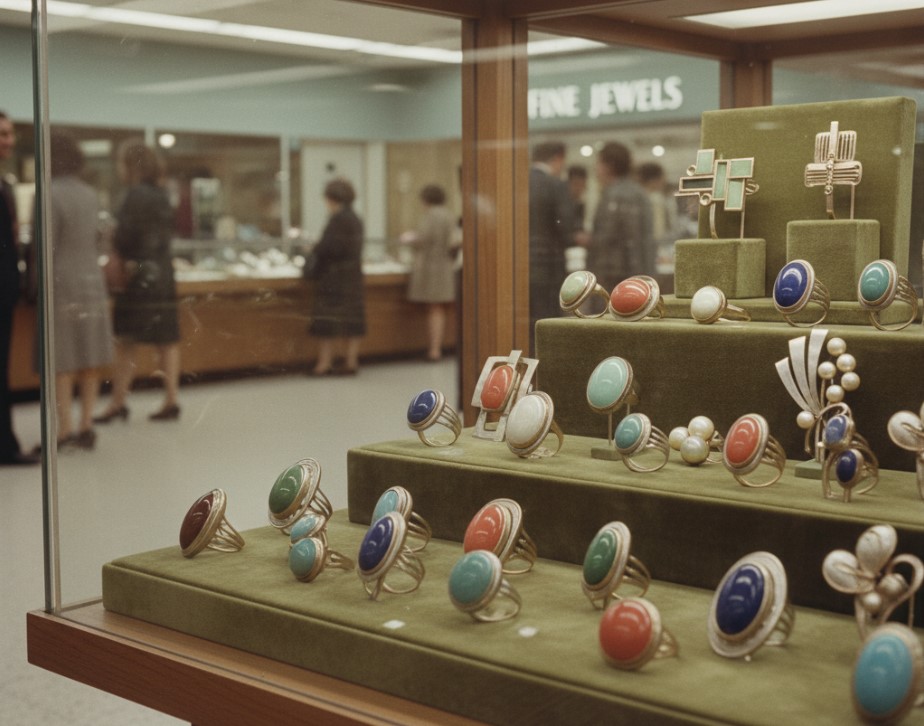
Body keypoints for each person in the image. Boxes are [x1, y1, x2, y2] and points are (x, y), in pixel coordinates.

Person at [94, 143, 181, 423]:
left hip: (138, 273)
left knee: (126, 341)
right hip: (163, 272)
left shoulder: (133, 195)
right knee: (167, 340)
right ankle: (171, 399)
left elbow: (125, 237)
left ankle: (118, 402)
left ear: (131, 165)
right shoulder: (161, 194)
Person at [48, 131, 114, 449]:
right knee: (90, 355)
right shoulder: (90, 194)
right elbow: (98, 238)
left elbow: (46, 245)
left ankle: (65, 430)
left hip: (60, 280)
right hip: (91, 279)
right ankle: (86, 424)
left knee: (63, 358)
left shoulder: (47, 193)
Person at [0, 111, 38, 464]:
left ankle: (6, 443)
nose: (8, 140)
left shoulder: (5, 184)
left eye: (9, 133)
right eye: (2, 134)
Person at [306, 178, 365, 376]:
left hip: (334, 278)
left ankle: (324, 363)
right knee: (352, 320)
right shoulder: (355, 218)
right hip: (352, 276)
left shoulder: (337, 219)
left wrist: (313, 247)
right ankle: (351, 361)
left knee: (326, 322)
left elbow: (330, 248)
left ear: (332, 199)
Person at [586, 142, 654, 292]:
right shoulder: (639, 192)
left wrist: (589, 240)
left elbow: (608, 238)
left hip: (615, 274)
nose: (596, 168)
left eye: (599, 163)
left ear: (609, 165)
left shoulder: (614, 195)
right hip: (637, 275)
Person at [528, 141, 573, 354]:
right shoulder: (556, 185)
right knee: (547, 319)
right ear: (557, 158)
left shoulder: (516, 182)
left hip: (519, 263)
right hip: (549, 264)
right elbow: (566, 227)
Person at [404, 184, 457, 362]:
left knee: (434, 308)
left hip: (431, 267)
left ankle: (434, 350)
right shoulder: (449, 215)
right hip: (445, 266)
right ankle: (436, 348)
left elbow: (423, 238)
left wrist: (409, 238)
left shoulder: (431, 215)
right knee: (439, 308)